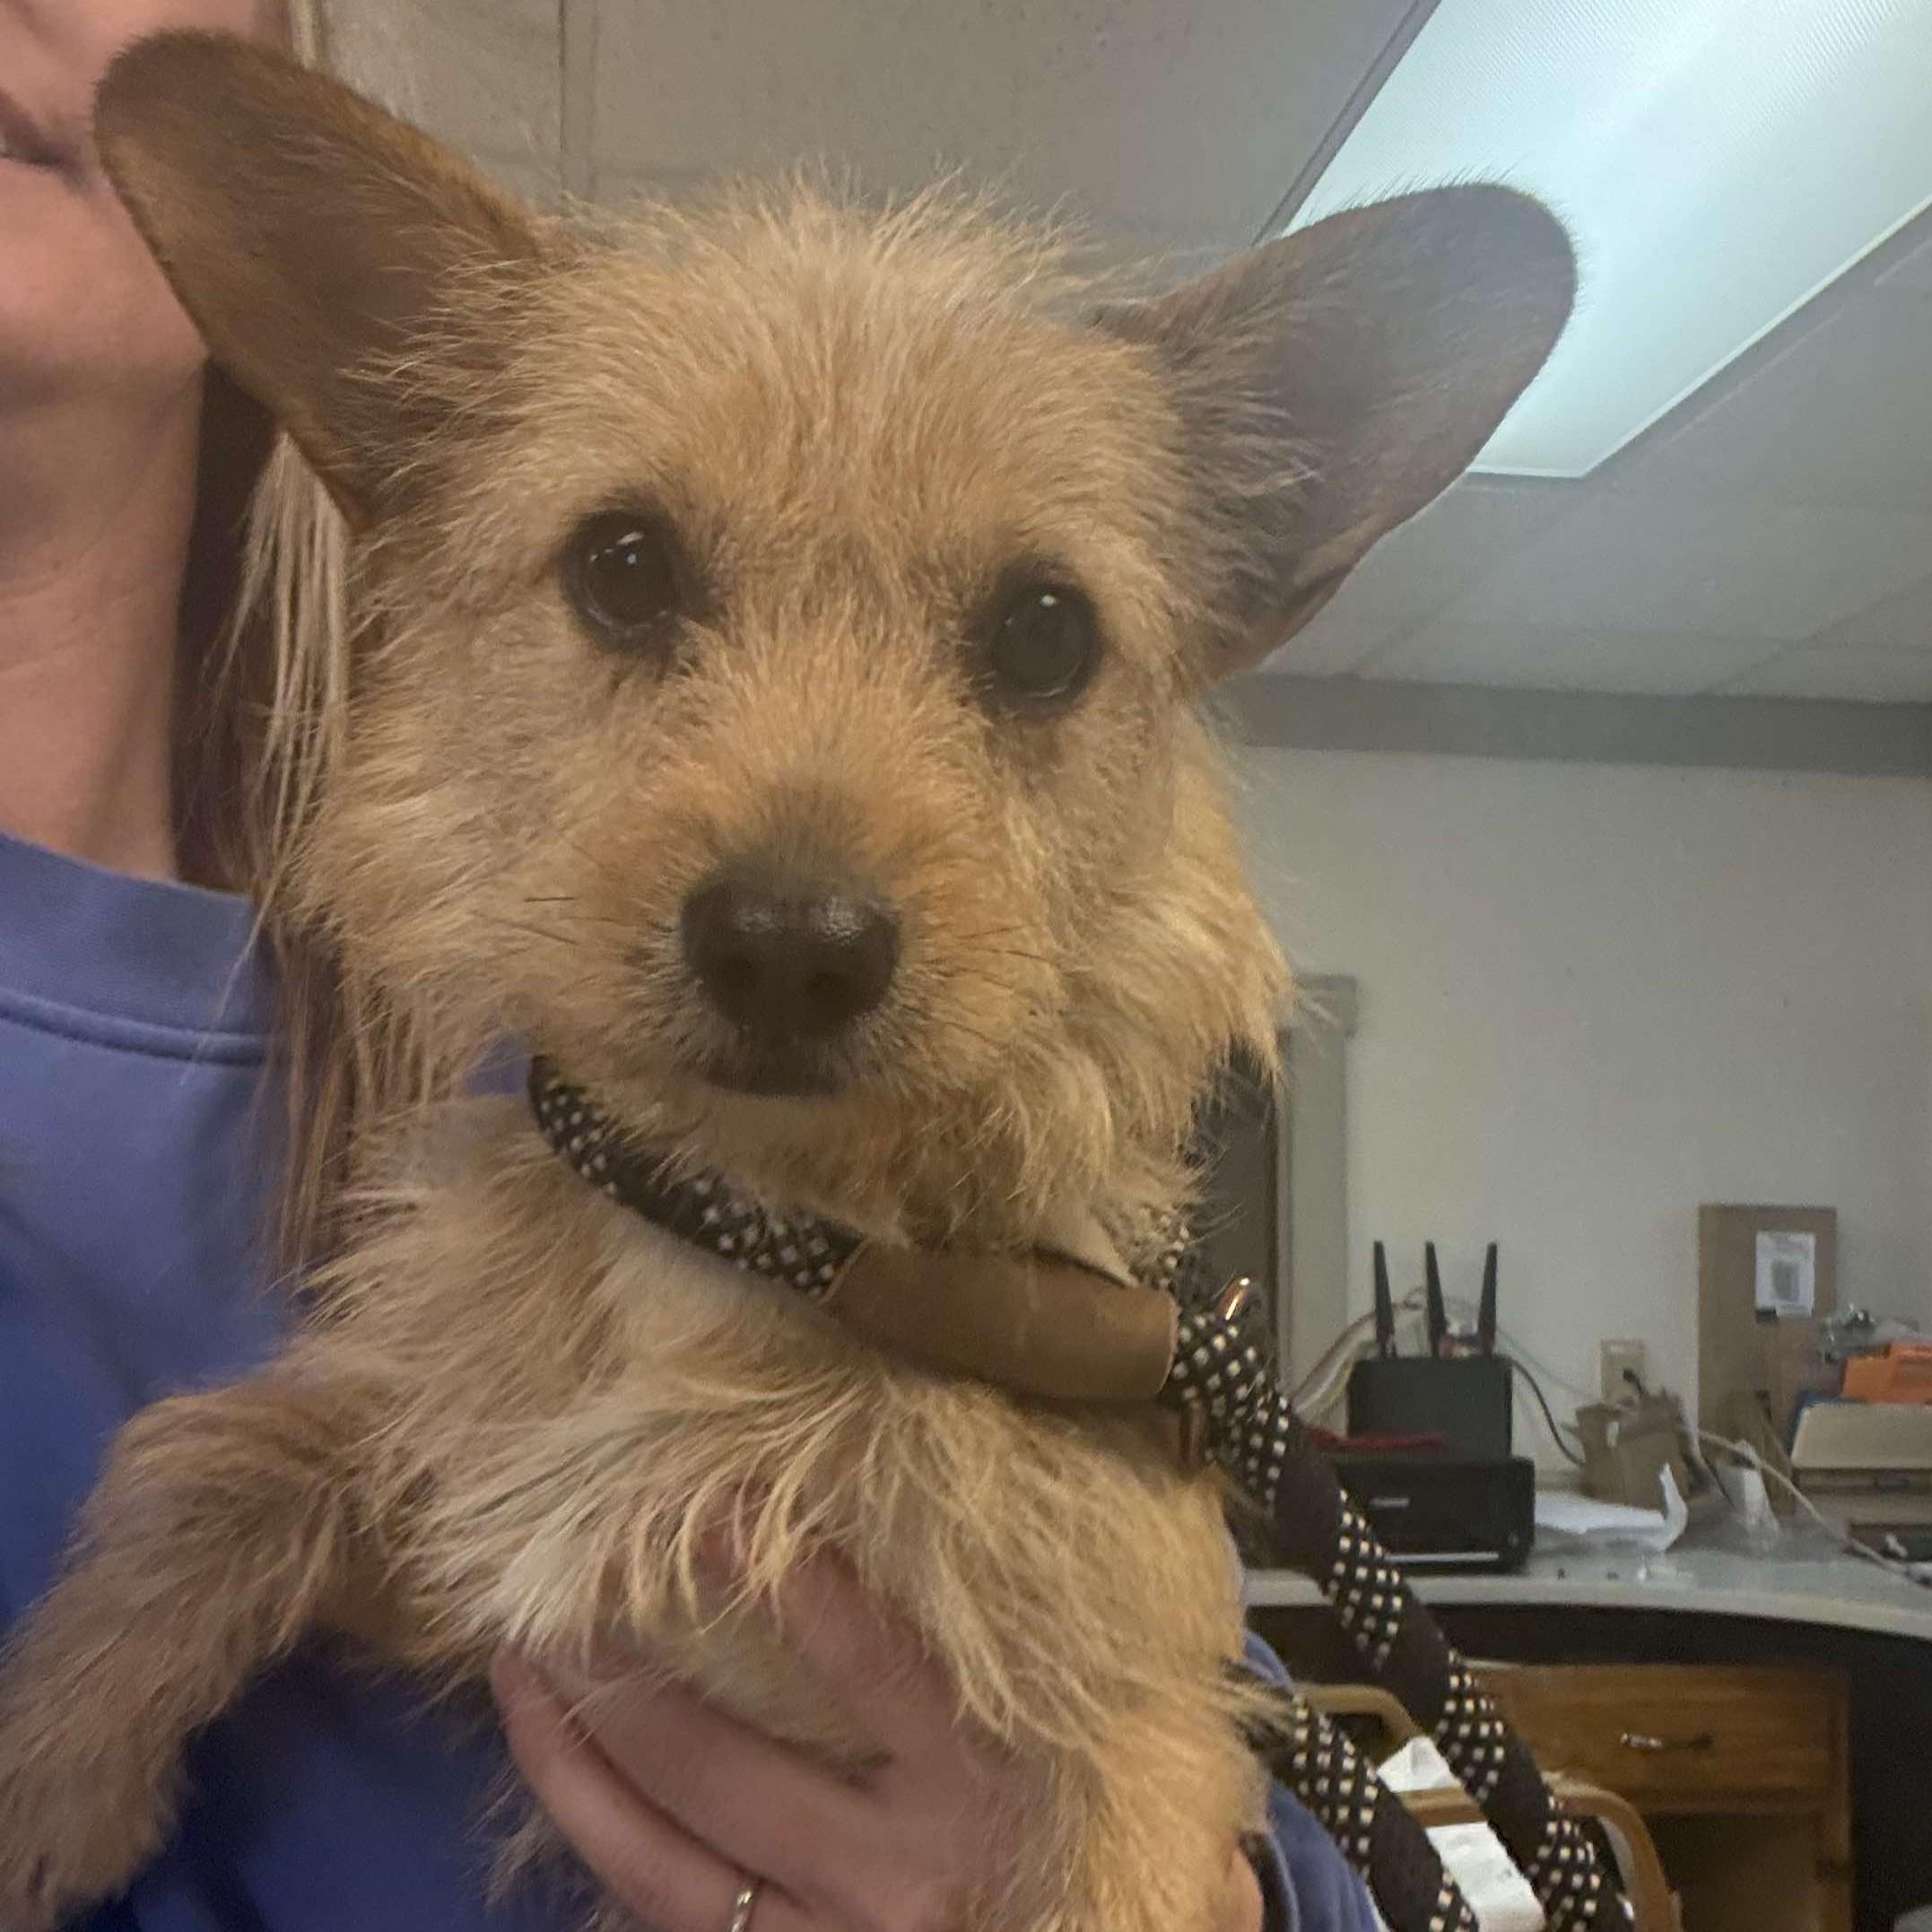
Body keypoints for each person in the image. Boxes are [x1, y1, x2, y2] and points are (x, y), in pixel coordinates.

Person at [0, 4, 1379, 1928]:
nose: (802, 903)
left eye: (1032, 637)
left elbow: (1197, 1759)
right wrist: (214, 1537)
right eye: (635, 577)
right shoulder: (499, 1201)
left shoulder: (1022, 1306)